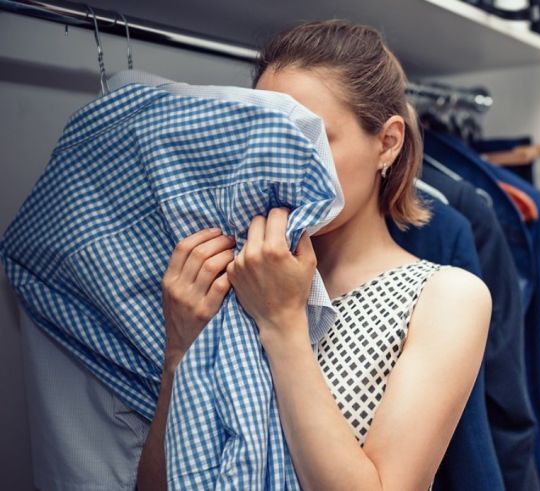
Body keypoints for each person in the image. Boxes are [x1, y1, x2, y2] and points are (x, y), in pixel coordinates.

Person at [136, 20, 492, 490]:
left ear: (387, 143)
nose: (282, 162)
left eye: (311, 137)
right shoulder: (233, 272)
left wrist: (282, 323)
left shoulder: (445, 298)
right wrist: (179, 350)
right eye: (267, 137)